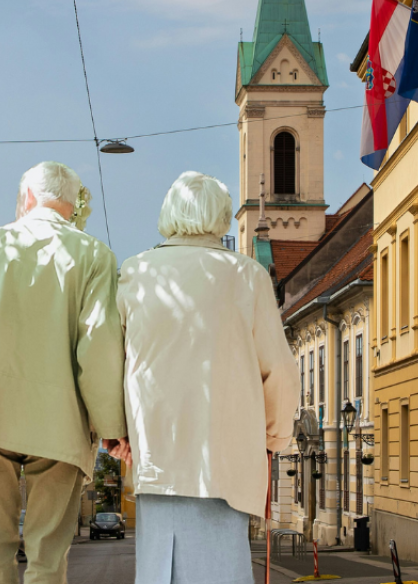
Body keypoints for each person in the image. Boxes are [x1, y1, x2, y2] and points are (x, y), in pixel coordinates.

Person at [0, 161, 130, 584]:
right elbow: (98, 345)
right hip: (59, 423)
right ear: (71, 205)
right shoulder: (93, 255)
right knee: (47, 560)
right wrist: (111, 426)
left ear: (29, 196)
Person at [116, 171, 300, 584]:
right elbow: (280, 372)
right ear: (221, 217)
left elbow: (114, 362)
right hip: (227, 462)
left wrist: (117, 432)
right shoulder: (248, 275)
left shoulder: (135, 272)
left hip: (156, 458)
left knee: (159, 569)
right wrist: (272, 439)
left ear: (169, 213)